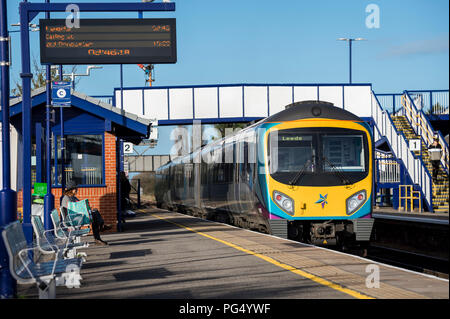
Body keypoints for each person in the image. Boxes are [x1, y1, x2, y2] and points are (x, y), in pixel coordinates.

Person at [60, 181, 111, 246]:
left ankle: (100, 230)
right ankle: (100, 231)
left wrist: (86, 208)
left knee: (95, 212)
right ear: (71, 189)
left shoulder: (73, 197)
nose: (77, 190)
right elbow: (71, 211)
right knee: (94, 216)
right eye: (75, 189)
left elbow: (79, 205)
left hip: (77, 217)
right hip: (73, 220)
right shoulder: (66, 198)